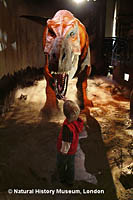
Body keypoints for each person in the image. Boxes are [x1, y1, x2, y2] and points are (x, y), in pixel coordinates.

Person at [56, 100, 84, 186]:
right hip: (73, 149)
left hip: (66, 151)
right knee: (71, 166)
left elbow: (66, 143)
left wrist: (63, 153)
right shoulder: (76, 122)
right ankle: (70, 181)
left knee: (61, 164)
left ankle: (62, 179)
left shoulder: (67, 128)